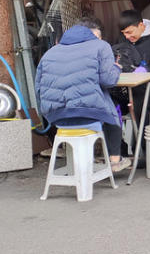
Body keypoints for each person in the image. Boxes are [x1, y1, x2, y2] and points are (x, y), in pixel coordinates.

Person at [35, 17, 130, 172]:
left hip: (55, 116)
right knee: (109, 106)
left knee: (97, 98)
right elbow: (108, 80)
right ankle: (115, 160)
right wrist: (117, 68)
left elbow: (38, 87)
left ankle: (84, 164)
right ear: (90, 35)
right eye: (97, 37)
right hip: (87, 115)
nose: (98, 40)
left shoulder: (51, 52)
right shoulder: (101, 46)